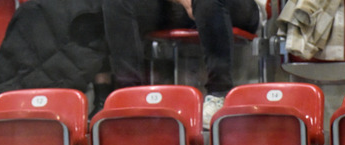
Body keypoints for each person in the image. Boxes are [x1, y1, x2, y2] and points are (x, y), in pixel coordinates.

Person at [101, 0, 262, 128]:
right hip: (178, 7)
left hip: (236, 6)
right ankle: (130, 98)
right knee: (117, 2)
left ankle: (219, 94)